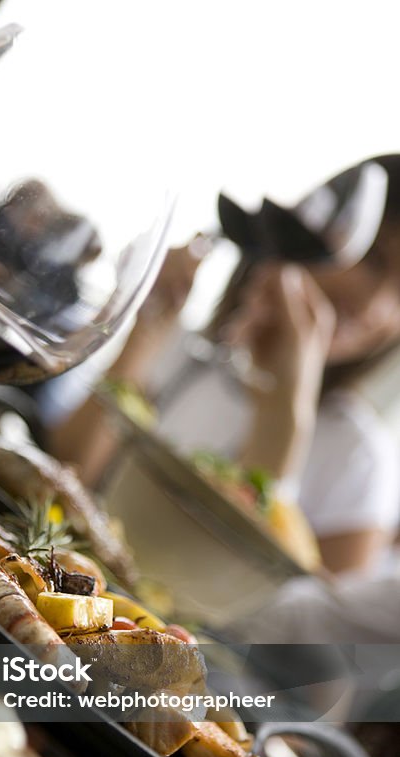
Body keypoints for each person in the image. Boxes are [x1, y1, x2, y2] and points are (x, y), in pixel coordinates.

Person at [53, 155, 400, 576]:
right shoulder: (182, 348)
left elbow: (289, 630)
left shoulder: (358, 458)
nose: (372, 306)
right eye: (374, 260)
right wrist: (142, 332)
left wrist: (284, 416)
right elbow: (60, 482)